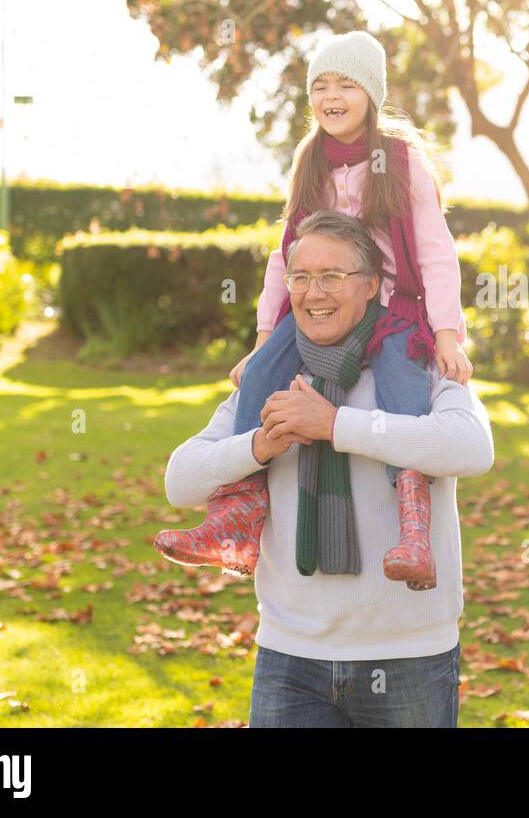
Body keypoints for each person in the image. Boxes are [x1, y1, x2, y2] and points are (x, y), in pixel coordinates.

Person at [156, 30, 472, 590]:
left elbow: (435, 249)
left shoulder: (400, 161)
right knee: (261, 375)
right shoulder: (310, 161)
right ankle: (238, 516)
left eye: (346, 84)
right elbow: (285, 258)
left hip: (392, 304)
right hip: (322, 304)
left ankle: (413, 523)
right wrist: (261, 335)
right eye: (321, 85)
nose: (332, 95)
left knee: (402, 377)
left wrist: (445, 331)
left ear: (371, 93)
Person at [164, 211, 494, 726]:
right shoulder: (266, 381)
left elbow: (473, 447)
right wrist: (259, 445)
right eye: (301, 278)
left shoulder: (418, 365)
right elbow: (180, 481)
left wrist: (336, 425)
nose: (314, 293)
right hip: (289, 657)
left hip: (409, 656)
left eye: (332, 277)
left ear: (370, 286)